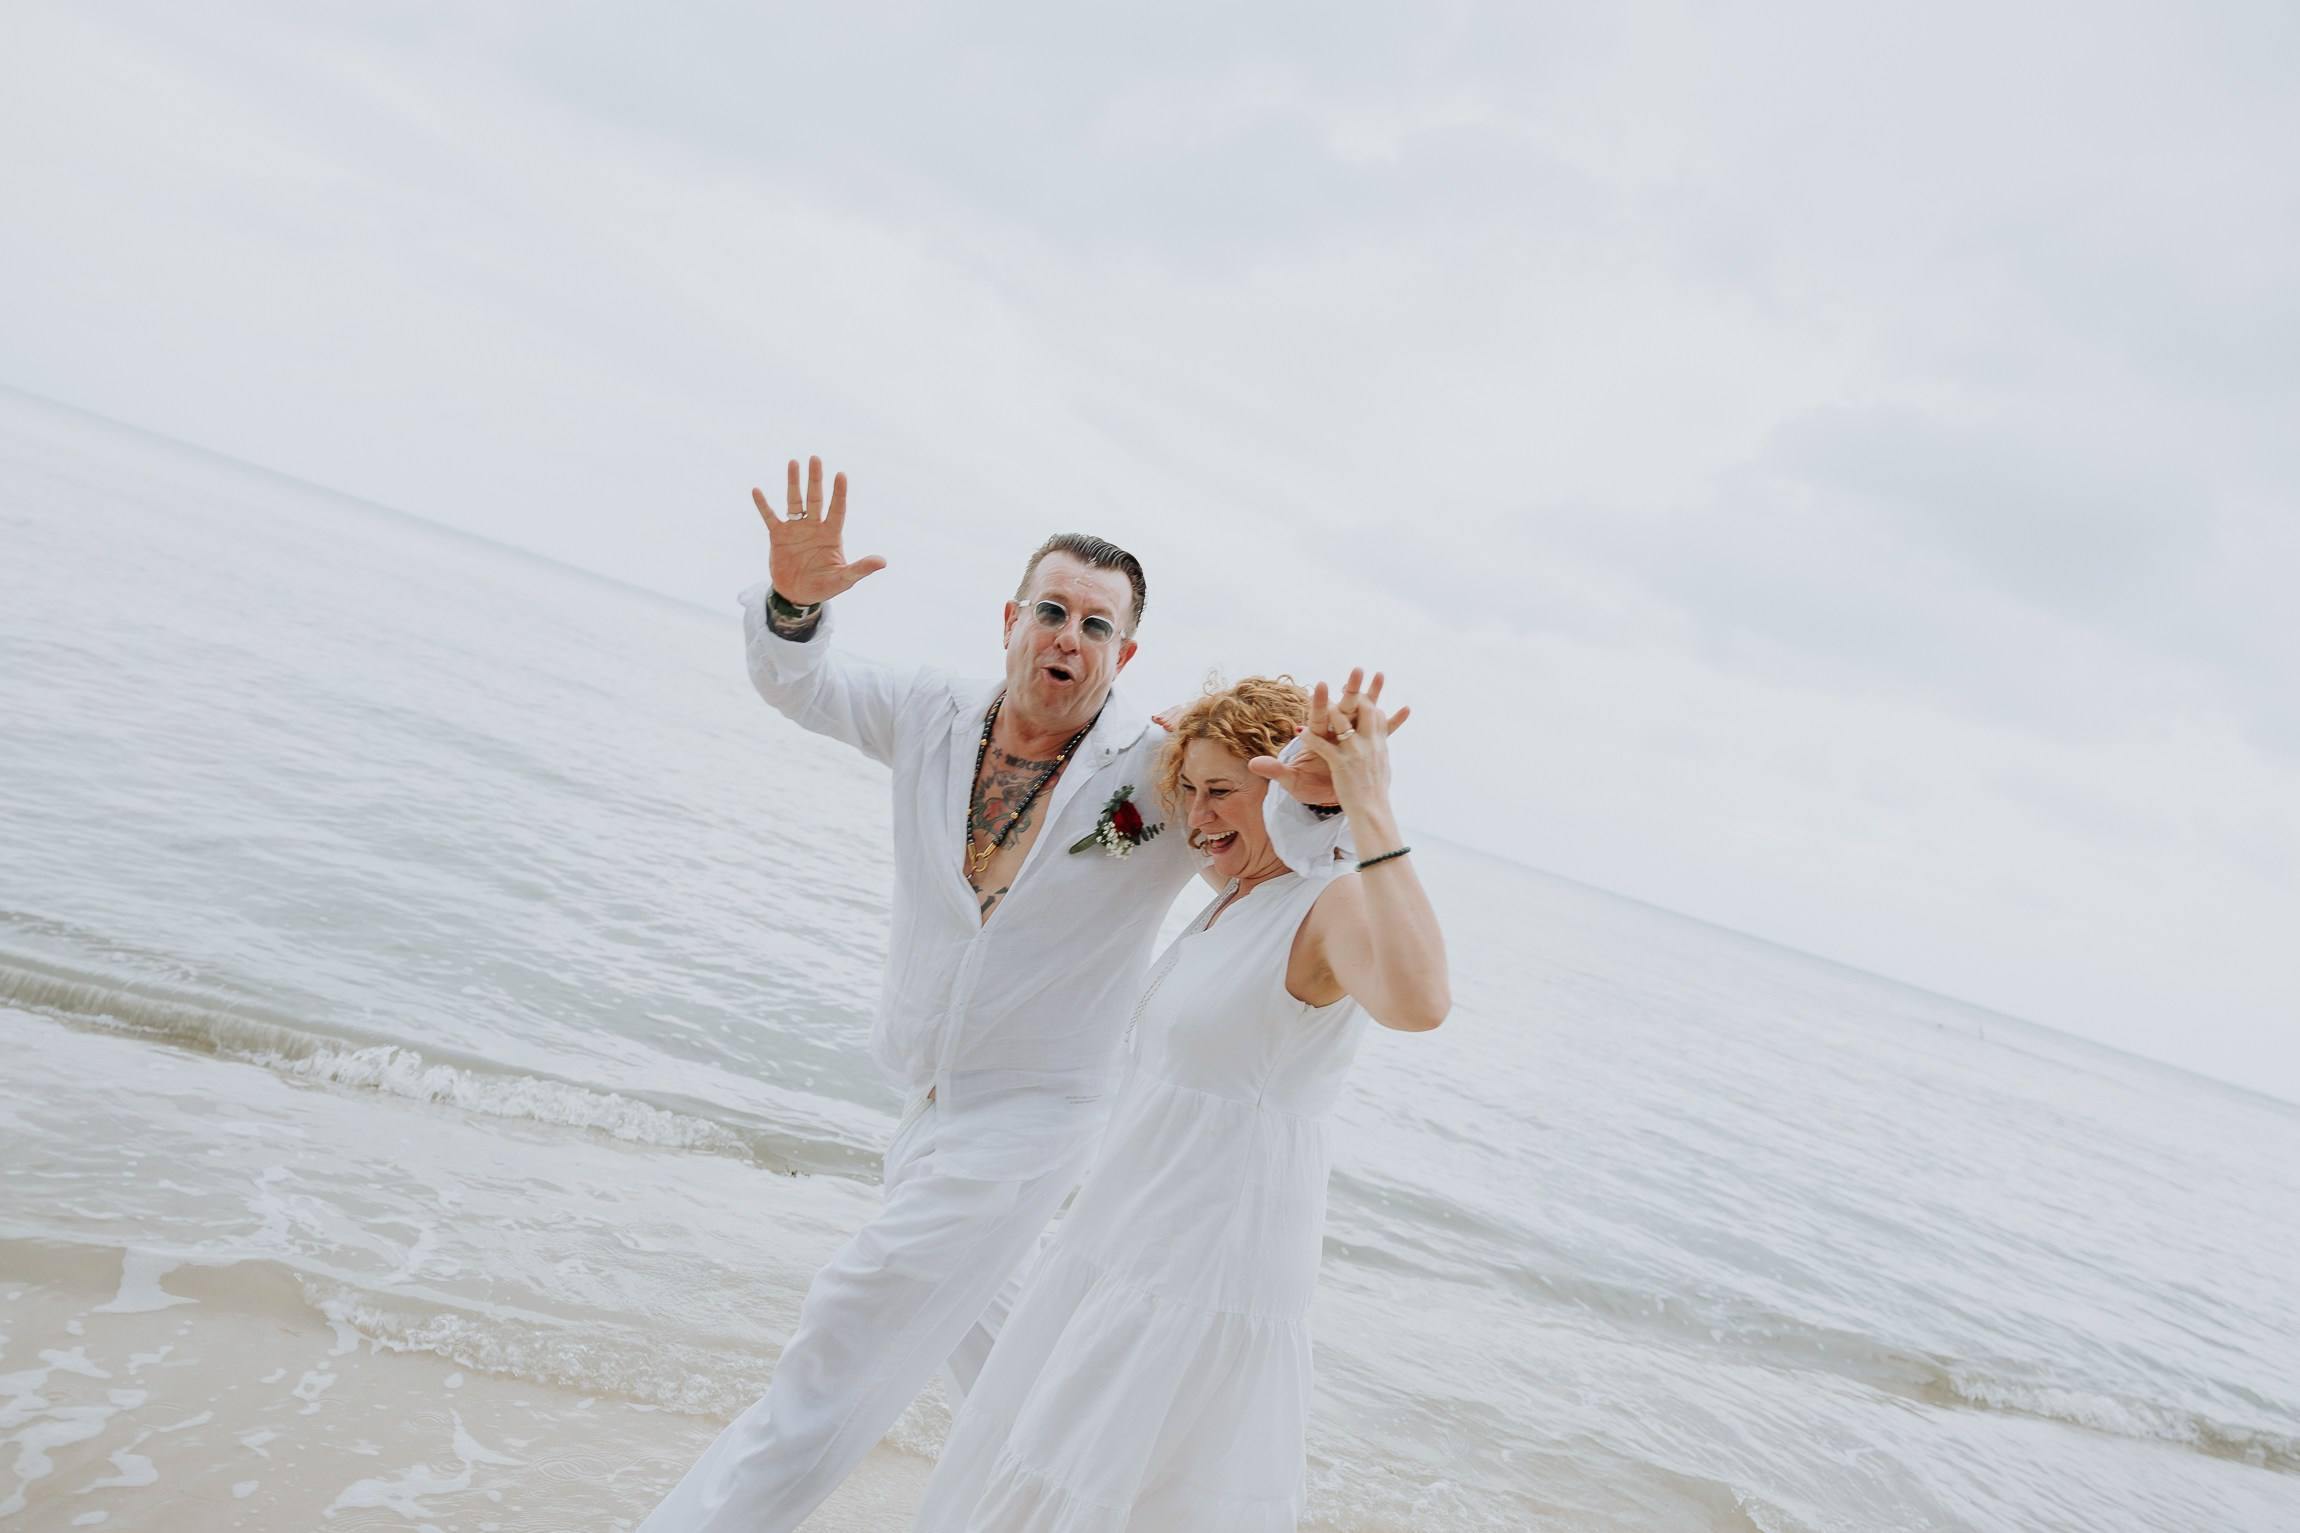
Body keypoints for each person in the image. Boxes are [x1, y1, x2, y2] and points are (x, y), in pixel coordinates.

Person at [639, 459, 1389, 1532]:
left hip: (1039, 1118)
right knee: (1020, 1380)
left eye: (1095, 624)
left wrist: (1339, 799)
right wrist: (795, 604)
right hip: (928, 1105)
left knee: (848, 1326)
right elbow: (803, 685)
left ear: (1123, 652)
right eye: (1051, 610)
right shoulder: (927, 713)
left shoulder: (1153, 770)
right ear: (1012, 617)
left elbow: (1262, 818)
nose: (1067, 638)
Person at [908, 673, 1449, 1532]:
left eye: (1222, 791)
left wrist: (1366, 801)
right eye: (1187, 791)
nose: (1197, 815)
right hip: (1128, 1240)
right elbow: (1110, 845)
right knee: (1047, 1474)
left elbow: (1421, 1004)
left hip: (1202, 1269)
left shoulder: (1328, 903)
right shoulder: (1236, 898)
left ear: (1284, 785)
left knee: (1111, 1493)